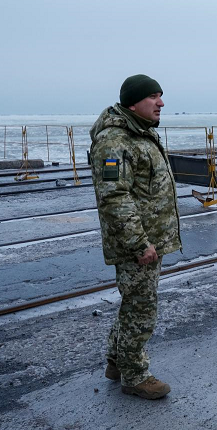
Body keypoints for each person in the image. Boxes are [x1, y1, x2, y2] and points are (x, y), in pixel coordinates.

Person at [89, 74, 182, 400]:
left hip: (148, 242)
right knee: (142, 309)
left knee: (134, 304)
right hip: (138, 244)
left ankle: (117, 361)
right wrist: (139, 244)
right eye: (153, 97)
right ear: (133, 102)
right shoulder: (115, 143)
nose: (161, 103)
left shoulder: (138, 134)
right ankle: (135, 375)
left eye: (161, 96)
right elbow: (114, 198)